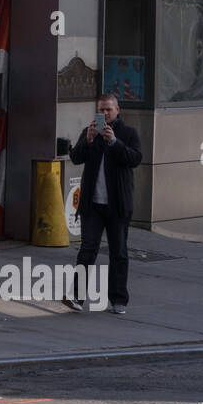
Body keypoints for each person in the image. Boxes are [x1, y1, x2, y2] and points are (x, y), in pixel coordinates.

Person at [64, 93, 142, 314]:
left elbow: (134, 159)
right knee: (87, 250)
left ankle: (118, 300)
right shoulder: (91, 132)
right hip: (93, 205)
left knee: (119, 252)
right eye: (101, 110)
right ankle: (77, 297)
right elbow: (76, 158)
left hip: (117, 206)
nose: (104, 114)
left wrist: (114, 142)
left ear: (118, 111)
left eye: (108, 110)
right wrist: (88, 140)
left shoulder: (128, 133)